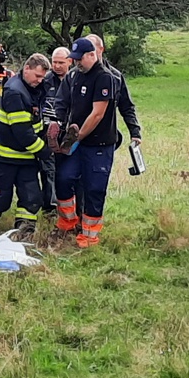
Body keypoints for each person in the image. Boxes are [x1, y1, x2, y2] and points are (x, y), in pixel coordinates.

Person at [49, 36, 121, 247]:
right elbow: (64, 103)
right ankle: (68, 221)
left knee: (94, 188)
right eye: (75, 58)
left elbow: (97, 114)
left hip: (99, 144)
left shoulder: (104, 78)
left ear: (92, 55)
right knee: (63, 178)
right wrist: (59, 125)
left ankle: (89, 234)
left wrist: (77, 136)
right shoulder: (75, 76)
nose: (78, 62)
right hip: (75, 142)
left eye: (81, 58)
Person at [0, 53, 51, 240]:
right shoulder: (14, 92)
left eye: (42, 77)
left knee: (32, 198)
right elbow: (23, 134)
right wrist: (46, 152)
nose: (40, 80)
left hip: (26, 157)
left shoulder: (35, 86)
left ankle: (24, 235)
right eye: (37, 76)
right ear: (26, 69)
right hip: (3, 156)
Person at [87, 33, 143, 150]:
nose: (89, 53)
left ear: (101, 49)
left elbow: (126, 106)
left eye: (92, 49)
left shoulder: (116, 77)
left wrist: (135, 132)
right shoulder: (75, 75)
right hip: (82, 135)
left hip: (105, 137)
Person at [39, 45, 72, 213]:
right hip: (47, 131)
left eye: (61, 62)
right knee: (48, 169)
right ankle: (49, 207)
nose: (57, 66)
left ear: (70, 62)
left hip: (68, 132)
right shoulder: (45, 80)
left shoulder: (75, 79)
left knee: (66, 170)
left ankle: (67, 205)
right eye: (54, 62)